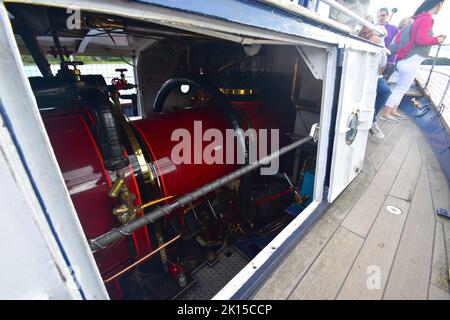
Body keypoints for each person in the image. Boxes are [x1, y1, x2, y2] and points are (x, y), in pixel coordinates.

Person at [381, 0, 446, 122]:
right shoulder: (427, 18)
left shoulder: (419, 17)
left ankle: (393, 110)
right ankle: (386, 112)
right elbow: (421, 39)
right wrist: (436, 40)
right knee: (401, 89)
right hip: (410, 61)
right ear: (438, 5)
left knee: (402, 88)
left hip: (407, 60)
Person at [358, 18, 390, 139]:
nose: (366, 36)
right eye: (363, 33)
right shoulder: (355, 40)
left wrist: (380, 45)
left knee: (384, 90)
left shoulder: (378, 41)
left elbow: (382, 64)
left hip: (374, 74)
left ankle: (372, 120)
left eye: (369, 33)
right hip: (359, 73)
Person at [377, 8, 399, 81]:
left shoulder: (394, 29)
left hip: (389, 62)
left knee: (382, 82)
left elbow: (399, 44)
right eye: (379, 16)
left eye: (383, 15)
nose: (381, 18)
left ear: (387, 16)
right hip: (376, 60)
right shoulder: (374, 28)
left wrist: (390, 52)